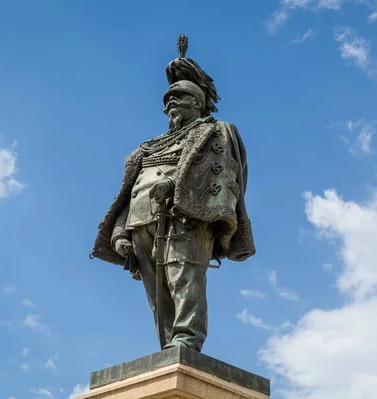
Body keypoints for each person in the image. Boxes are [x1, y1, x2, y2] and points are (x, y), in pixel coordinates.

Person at [91, 35, 255, 353]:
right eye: (167, 102)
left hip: (186, 214)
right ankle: (169, 346)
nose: (170, 106)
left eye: (178, 100)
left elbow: (221, 171)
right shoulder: (150, 145)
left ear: (196, 103)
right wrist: (119, 230)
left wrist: (177, 188)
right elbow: (130, 188)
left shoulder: (214, 131)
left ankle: (187, 339)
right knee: (157, 290)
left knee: (184, 276)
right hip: (142, 220)